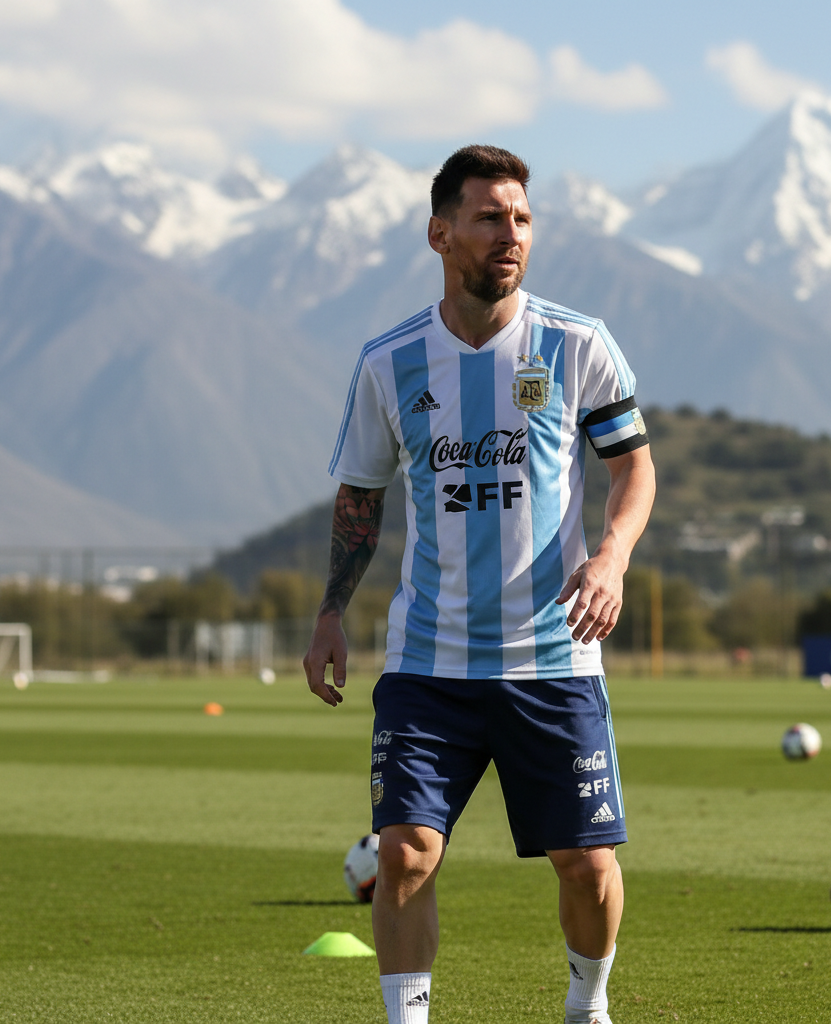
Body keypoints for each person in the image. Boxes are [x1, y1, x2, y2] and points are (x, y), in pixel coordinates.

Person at [304, 144, 655, 1024]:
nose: (511, 234)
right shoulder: (390, 363)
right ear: (441, 232)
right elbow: (360, 499)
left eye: (523, 218)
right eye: (491, 216)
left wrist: (609, 557)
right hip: (429, 663)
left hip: (553, 658)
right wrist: (331, 612)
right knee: (407, 854)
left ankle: (587, 1006)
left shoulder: (578, 344)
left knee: (587, 864)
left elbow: (634, 470)